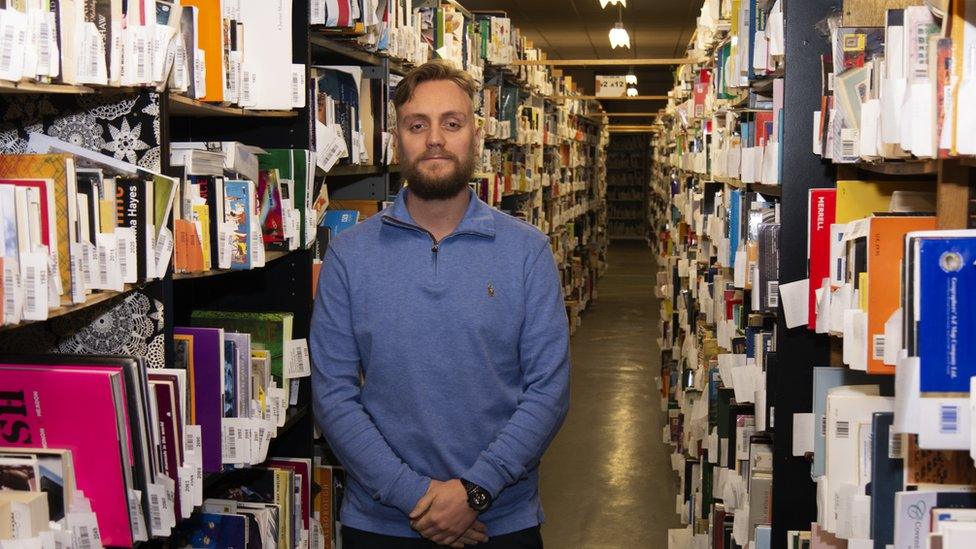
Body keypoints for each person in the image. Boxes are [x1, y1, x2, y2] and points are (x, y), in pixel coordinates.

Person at [310, 60, 571, 549]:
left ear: (476, 135)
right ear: (396, 138)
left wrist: (474, 491)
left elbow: (548, 391)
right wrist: (418, 496)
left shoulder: (527, 251)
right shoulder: (348, 255)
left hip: (499, 522)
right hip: (384, 523)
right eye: (417, 125)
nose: (435, 139)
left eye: (451, 123)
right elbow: (333, 396)